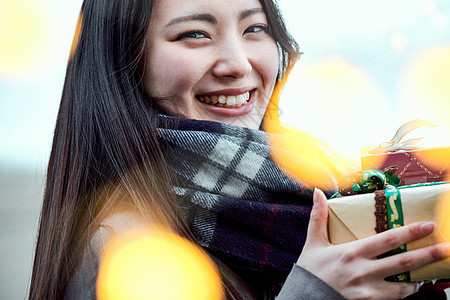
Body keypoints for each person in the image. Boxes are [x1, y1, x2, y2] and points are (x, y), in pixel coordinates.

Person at [29, 0, 450, 299]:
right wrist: (317, 292)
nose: (238, 63)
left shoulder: (321, 185)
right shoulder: (125, 245)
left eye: (254, 29)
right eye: (194, 34)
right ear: (126, 58)